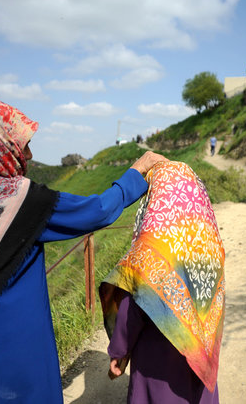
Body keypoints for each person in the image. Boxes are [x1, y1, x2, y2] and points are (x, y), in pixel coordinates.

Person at [0, 99, 167, 403]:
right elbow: (96, 212)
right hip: (21, 352)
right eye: (23, 145)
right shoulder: (21, 201)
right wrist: (136, 172)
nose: (29, 154)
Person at [100, 161, 225, 404]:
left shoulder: (151, 247)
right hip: (199, 356)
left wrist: (119, 352)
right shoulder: (211, 245)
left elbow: (131, 309)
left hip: (157, 365)